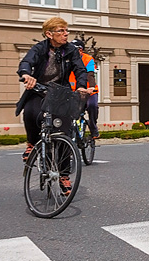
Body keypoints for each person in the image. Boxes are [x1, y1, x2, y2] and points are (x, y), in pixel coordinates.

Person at [17, 17, 90, 170]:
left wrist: (81, 86)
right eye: (61, 31)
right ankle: (32, 143)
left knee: (63, 131)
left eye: (66, 30)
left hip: (60, 92)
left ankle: (64, 175)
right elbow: (26, 62)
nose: (66, 34)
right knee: (30, 112)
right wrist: (26, 74)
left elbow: (80, 70)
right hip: (39, 90)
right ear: (49, 34)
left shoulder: (71, 50)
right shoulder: (39, 48)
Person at [70, 38, 99, 138]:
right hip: (73, 91)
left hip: (88, 91)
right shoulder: (67, 59)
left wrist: (91, 87)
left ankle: (93, 127)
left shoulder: (88, 59)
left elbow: (90, 74)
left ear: (80, 50)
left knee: (92, 106)